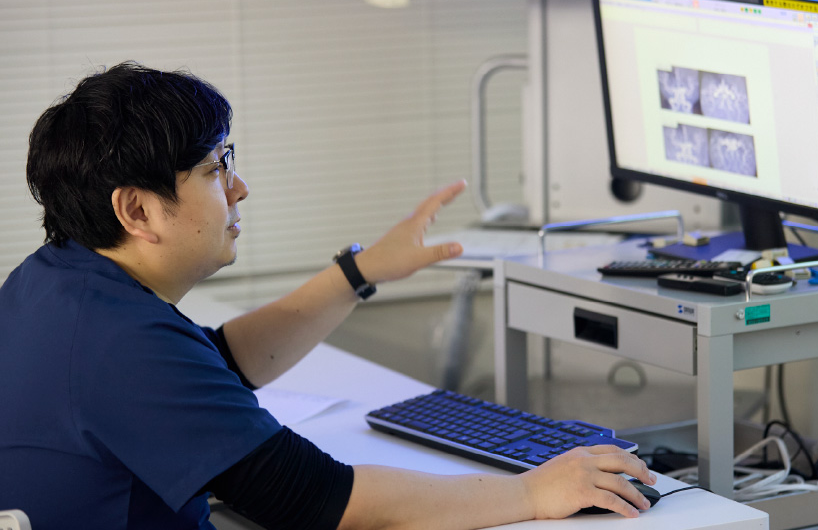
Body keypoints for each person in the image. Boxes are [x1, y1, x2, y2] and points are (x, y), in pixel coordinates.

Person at [0, 62, 656, 529]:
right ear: (138, 210)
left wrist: (358, 272)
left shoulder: (52, 283)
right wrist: (533, 493)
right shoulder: (122, 344)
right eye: (215, 167)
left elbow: (215, 366)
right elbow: (316, 500)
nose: (239, 187)